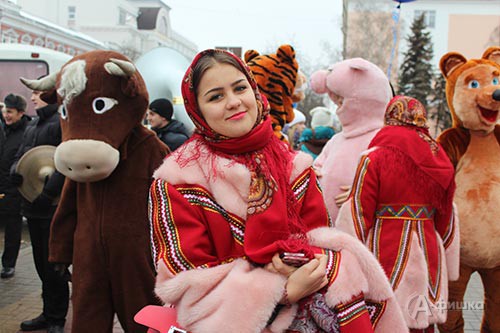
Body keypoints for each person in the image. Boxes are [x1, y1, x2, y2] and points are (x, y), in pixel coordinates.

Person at [146, 49, 408, 332]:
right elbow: (184, 285)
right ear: (196, 109)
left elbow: (320, 238)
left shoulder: (294, 166)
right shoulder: (179, 181)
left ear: (254, 91)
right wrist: (281, 290)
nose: (234, 102)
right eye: (216, 96)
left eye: (239, 88)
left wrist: (311, 263)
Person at [336, 96, 459, 332]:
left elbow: (358, 213)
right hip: (429, 250)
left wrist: (346, 261)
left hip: (386, 247)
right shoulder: (439, 158)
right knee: (422, 319)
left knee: (383, 317)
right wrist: (450, 264)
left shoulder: (374, 156)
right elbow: (447, 218)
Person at [10, 87, 69, 333]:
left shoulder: (60, 123)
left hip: (50, 207)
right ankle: (47, 313)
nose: (32, 97)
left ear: (49, 96)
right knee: (40, 266)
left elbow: (64, 161)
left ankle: (57, 318)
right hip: (32, 207)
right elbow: (23, 155)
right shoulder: (34, 125)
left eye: (37, 93)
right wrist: (16, 171)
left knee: (54, 266)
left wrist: (48, 193)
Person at [0, 94, 30, 279]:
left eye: (10, 112)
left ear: (20, 113)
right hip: (0, 186)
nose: (6, 115)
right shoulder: (3, 129)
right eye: (5, 111)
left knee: (12, 229)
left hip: (14, 190)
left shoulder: (26, 132)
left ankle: (8, 264)